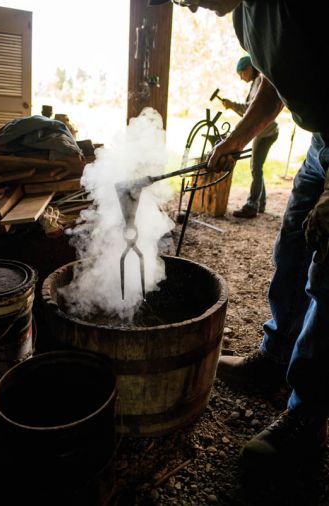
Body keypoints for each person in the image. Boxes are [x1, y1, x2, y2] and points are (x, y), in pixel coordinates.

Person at [150, 0, 329, 468]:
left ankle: (308, 414)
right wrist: (234, 141)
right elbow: (273, 86)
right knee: (291, 248)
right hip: (321, 142)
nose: (186, 6)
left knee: (328, 272)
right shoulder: (243, 17)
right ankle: (275, 359)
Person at [221, 55, 279, 218]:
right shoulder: (256, 82)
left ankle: (252, 206)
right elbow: (249, 111)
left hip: (266, 133)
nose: (241, 78)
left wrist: (233, 105)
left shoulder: (260, 81)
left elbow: (251, 111)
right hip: (264, 131)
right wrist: (233, 106)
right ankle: (261, 203)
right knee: (257, 167)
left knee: (256, 167)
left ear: (248, 69)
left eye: (241, 73)